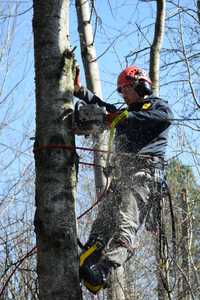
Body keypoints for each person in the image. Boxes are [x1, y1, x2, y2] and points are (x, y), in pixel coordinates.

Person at [74, 65, 173, 294]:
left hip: (142, 177)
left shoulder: (158, 107)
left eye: (125, 89)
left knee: (124, 228)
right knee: (102, 225)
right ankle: (88, 262)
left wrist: (124, 116)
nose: (122, 94)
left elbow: (163, 117)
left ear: (140, 85)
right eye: (120, 91)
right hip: (121, 178)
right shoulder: (125, 112)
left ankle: (104, 270)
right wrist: (80, 91)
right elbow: (105, 107)